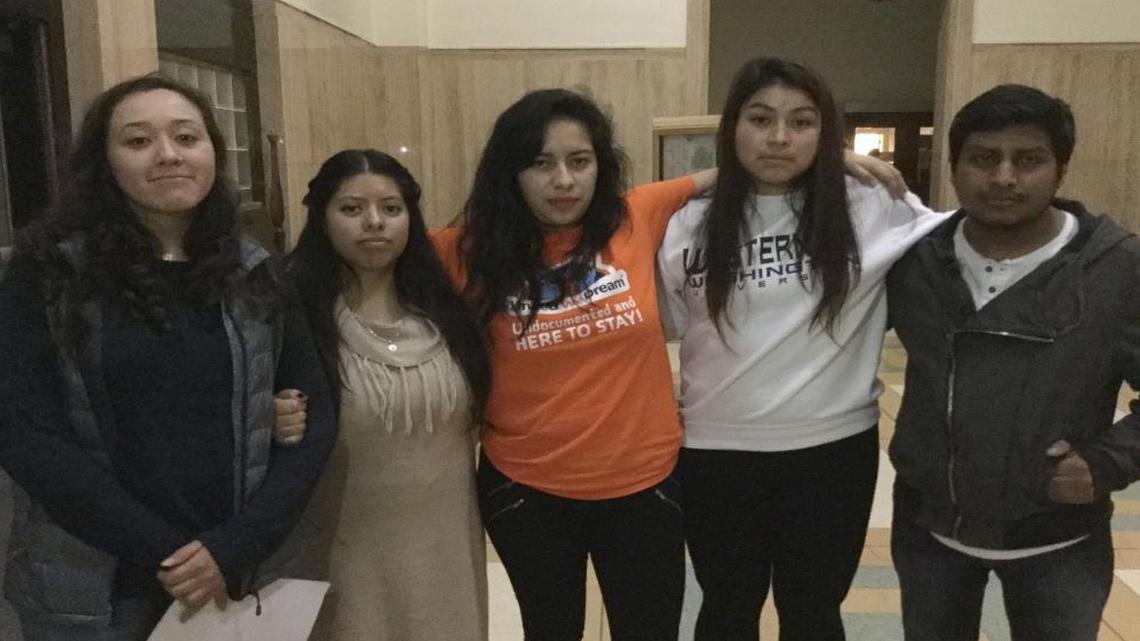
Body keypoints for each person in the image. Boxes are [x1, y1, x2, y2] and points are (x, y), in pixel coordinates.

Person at [0, 74, 336, 641]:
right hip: (99, 581)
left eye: (186, 137)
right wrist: (169, 553)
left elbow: (315, 415)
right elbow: (25, 431)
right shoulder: (50, 272)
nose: (168, 155)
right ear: (103, 162)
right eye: (138, 141)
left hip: (235, 567)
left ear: (213, 153)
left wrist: (234, 545)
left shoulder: (254, 270)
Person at [656, 57, 946, 641]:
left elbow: (975, 235)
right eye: (760, 119)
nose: (779, 138)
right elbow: (671, 321)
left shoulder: (869, 204)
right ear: (732, 127)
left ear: (825, 131)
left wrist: (840, 163)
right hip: (715, 453)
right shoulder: (688, 222)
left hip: (831, 453)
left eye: (802, 122)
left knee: (813, 613)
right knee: (726, 608)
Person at [886, 84, 1140, 641]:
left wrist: (1109, 461)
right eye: (983, 158)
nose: (1003, 177)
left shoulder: (1117, 269)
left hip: (1060, 541)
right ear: (953, 167)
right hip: (930, 531)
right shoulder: (914, 258)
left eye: (1027, 160)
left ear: (1061, 169)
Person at [278, 149, 492, 641]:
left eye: (391, 209)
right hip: (345, 545)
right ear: (322, 217)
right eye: (352, 209)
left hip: (446, 541)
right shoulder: (291, 312)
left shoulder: (446, 307)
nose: (374, 222)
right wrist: (271, 417)